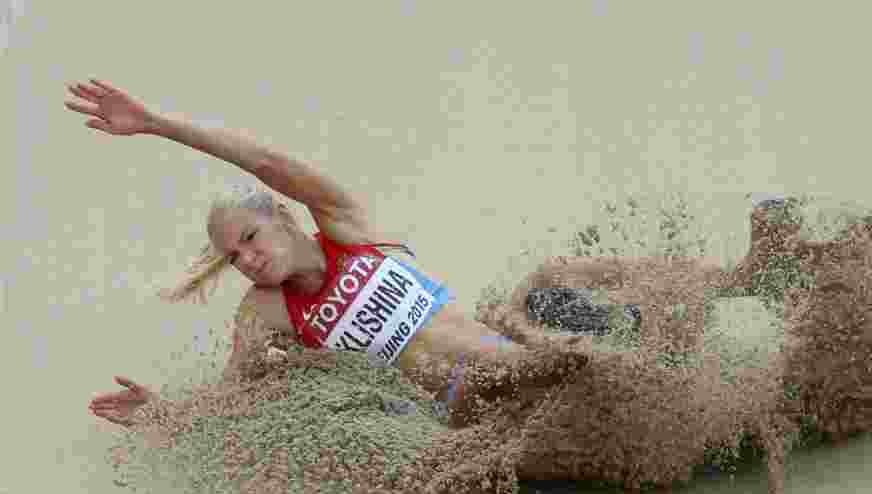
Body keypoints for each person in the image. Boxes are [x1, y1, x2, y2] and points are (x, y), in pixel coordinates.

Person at [73, 79, 615, 429]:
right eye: (233, 257)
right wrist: (164, 414)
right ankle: (578, 355)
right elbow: (233, 397)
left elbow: (263, 161)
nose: (247, 260)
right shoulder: (267, 312)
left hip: (507, 364)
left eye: (250, 238)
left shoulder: (346, 229)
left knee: (546, 302)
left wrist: (156, 125)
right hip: (462, 415)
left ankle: (611, 340)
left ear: (283, 218)